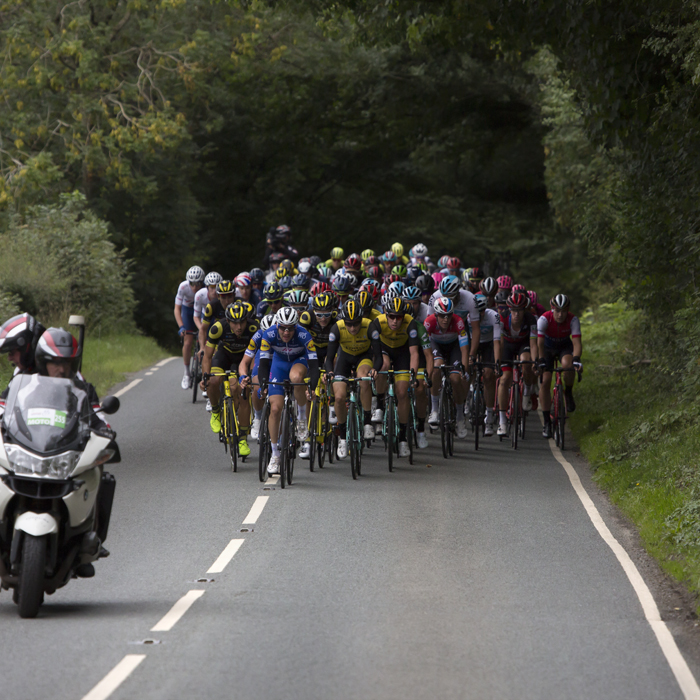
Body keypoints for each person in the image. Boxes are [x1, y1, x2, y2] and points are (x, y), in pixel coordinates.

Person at [257, 308, 319, 475]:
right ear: (277, 325)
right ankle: (275, 454)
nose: (286, 332)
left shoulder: (304, 335)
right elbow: (263, 364)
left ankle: (301, 417)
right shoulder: (268, 335)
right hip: (278, 365)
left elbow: (314, 366)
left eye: (290, 328)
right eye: (282, 327)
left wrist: (312, 387)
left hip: (298, 363)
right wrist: (263, 385)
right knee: (275, 409)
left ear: (295, 327)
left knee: (296, 377)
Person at [203, 302, 258, 457]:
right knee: (213, 381)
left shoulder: (254, 328)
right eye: (234, 323)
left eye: (242, 322)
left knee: (242, 392)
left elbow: (257, 355)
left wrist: (252, 374)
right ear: (228, 322)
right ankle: (215, 411)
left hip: (243, 358)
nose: (239, 326)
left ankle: (242, 439)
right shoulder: (218, 328)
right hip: (224, 356)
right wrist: (205, 377)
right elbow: (207, 356)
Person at [368, 297, 420, 457]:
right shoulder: (378, 322)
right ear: (386, 313)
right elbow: (375, 353)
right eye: (392, 316)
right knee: (383, 365)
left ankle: (403, 437)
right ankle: (379, 404)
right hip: (383, 350)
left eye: (399, 317)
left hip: (402, 353)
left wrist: (413, 374)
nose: (395, 321)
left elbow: (414, 353)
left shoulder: (410, 323)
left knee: (403, 393)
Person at [324, 300, 375, 459]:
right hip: (344, 360)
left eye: (356, 324)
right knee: (339, 397)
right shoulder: (337, 328)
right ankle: (343, 438)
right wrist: (329, 372)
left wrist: (375, 369)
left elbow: (378, 355)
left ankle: (367, 422)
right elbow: (329, 357)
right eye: (349, 324)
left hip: (363, 358)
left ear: (361, 319)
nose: (353, 328)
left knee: (364, 378)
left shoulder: (369, 325)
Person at [537, 294, 583, 438]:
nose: (560, 314)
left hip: (564, 346)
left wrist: (576, 359)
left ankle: (568, 392)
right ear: (552, 310)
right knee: (545, 381)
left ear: (567, 310)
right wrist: (540, 359)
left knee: (567, 365)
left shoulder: (573, 319)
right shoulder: (544, 319)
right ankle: (546, 422)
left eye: (563, 311)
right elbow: (539, 343)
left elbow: (576, 343)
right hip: (547, 348)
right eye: (557, 310)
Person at [424, 298, 470, 439]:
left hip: (454, 347)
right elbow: (425, 351)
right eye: (442, 316)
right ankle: (435, 410)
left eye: (448, 315)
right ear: (436, 315)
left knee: (456, 379)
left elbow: (464, 350)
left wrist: (465, 370)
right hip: (436, 346)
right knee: (436, 368)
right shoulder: (428, 323)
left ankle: (460, 417)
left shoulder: (459, 322)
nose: (445, 319)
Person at [497, 292, 538, 436]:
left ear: (524, 310)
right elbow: (500, 342)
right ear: (509, 309)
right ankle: (502, 422)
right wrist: (498, 361)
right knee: (504, 379)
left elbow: (533, 344)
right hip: (507, 346)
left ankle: (527, 391)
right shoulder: (502, 317)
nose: (517, 314)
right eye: (514, 310)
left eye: (520, 310)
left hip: (523, 345)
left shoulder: (531, 319)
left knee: (526, 362)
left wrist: (535, 362)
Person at [0, 313, 46, 399]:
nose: (9, 358)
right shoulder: (20, 372)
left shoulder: (52, 373)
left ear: (26, 349)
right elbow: (4, 401)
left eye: (12, 352)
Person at [174, 266, 205, 389]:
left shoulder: (205, 289)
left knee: (205, 340)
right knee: (187, 341)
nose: (195, 287)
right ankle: (186, 373)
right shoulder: (183, 287)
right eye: (192, 283)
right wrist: (181, 326)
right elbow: (177, 309)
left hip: (202, 311)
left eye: (198, 283)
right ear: (188, 282)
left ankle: (204, 372)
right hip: (188, 311)